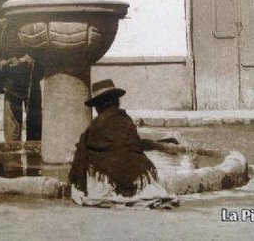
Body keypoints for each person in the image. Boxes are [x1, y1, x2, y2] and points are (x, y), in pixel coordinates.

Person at [68, 79, 178, 208]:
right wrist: (159, 146)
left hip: (106, 181)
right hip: (136, 177)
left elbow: (83, 154)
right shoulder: (125, 121)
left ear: (98, 106)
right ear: (116, 101)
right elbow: (135, 145)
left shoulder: (95, 126)